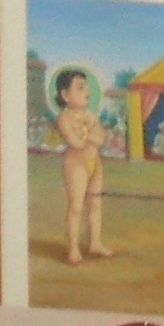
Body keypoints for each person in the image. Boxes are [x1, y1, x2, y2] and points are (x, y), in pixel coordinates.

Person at [53, 69, 113, 264]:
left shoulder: (90, 115)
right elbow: (76, 143)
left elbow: (101, 138)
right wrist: (90, 134)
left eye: (86, 88)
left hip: (95, 163)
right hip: (76, 165)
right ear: (65, 95)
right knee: (76, 207)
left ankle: (95, 243)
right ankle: (73, 249)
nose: (86, 92)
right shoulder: (65, 118)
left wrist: (88, 134)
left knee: (95, 204)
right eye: (80, 88)